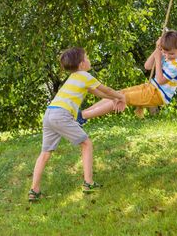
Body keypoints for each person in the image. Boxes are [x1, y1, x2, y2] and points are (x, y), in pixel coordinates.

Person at [28, 47, 126, 202]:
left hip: (49, 114)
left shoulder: (74, 78)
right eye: (87, 57)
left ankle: (34, 190)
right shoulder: (84, 75)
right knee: (86, 144)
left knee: (45, 153)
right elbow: (105, 89)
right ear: (81, 64)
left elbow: (99, 93)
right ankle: (89, 183)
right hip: (61, 115)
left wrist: (114, 99)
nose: (89, 60)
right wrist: (121, 96)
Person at [79, 30, 177, 122]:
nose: (167, 56)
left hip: (158, 94)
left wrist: (158, 58)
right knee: (118, 94)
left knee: (122, 98)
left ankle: (81, 117)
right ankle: (81, 114)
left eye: (171, 54)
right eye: (165, 53)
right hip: (151, 87)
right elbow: (147, 66)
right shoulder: (167, 52)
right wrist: (157, 50)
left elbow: (161, 80)